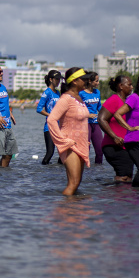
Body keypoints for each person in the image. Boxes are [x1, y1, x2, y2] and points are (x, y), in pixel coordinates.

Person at [47, 67, 91, 195]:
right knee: (73, 183)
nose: (86, 82)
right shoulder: (65, 99)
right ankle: (65, 211)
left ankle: (73, 211)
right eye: (84, 79)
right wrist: (63, 141)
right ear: (75, 81)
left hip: (81, 144)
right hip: (70, 146)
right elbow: (51, 120)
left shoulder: (79, 98)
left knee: (76, 183)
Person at [112, 75, 139, 187]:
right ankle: (134, 192)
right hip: (134, 140)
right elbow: (117, 114)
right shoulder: (134, 98)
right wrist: (129, 128)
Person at [98, 75, 133, 183]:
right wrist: (115, 137)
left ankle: (119, 198)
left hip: (124, 146)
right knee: (123, 175)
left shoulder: (127, 102)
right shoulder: (114, 100)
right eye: (129, 84)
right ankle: (115, 197)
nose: (132, 87)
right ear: (121, 86)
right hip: (113, 146)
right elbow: (101, 119)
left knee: (127, 176)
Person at [36, 70, 62, 165]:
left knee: (62, 153)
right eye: (56, 79)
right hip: (50, 127)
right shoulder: (47, 92)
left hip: (59, 128)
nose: (58, 81)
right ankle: (43, 172)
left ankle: (57, 175)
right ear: (51, 80)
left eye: (59, 79)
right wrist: (51, 115)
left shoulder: (58, 92)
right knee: (50, 153)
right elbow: (39, 109)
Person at [79, 72, 103, 164]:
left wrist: (107, 114)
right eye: (96, 81)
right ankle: (83, 170)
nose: (98, 83)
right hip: (85, 124)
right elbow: (77, 109)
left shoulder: (97, 92)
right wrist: (87, 115)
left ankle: (97, 173)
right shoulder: (81, 93)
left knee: (100, 151)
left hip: (96, 123)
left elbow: (99, 107)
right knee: (86, 150)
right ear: (90, 81)